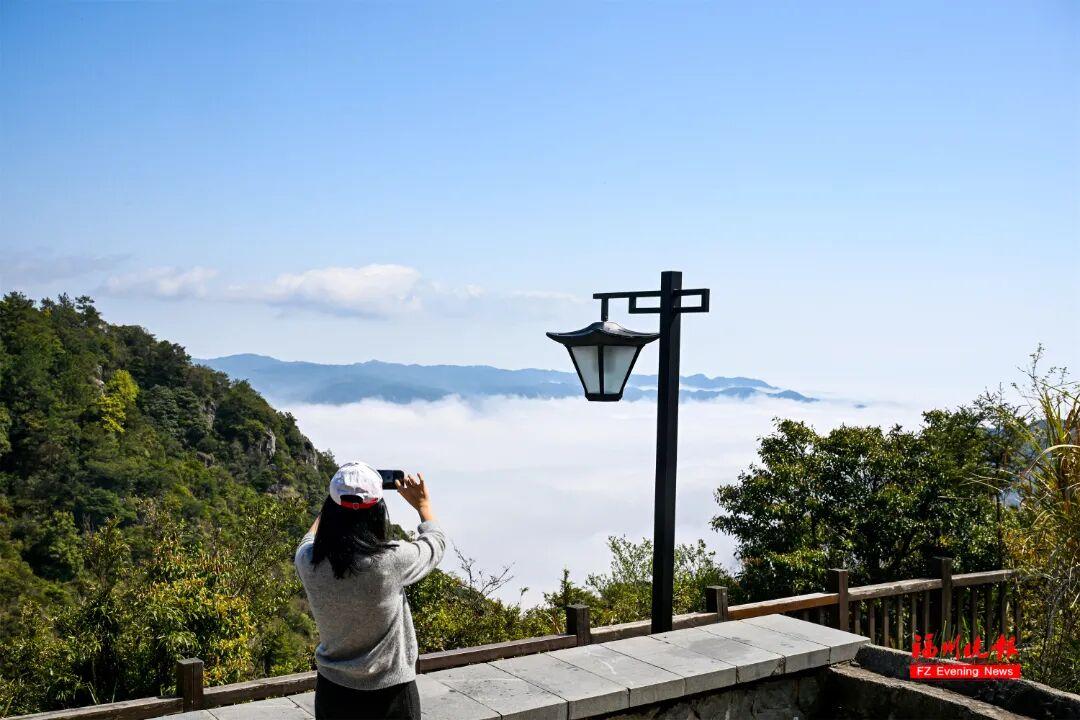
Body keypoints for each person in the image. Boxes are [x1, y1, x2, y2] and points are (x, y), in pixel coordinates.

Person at [295, 461, 446, 720]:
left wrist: (335, 501)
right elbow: (436, 543)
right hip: (392, 693)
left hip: (334, 694)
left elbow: (309, 538)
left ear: (330, 509)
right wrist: (423, 506)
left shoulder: (308, 561)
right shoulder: (391, 561)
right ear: (377, 512)